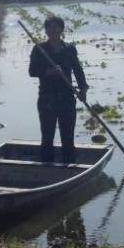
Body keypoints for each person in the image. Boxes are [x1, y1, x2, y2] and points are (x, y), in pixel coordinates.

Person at [28, 14, 89, 165]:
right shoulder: (39, 49)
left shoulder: (69, 49)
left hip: (67, 98)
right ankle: (47, 169)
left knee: (68, 137)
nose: (53, 30)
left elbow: (78, 70)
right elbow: (32, 71)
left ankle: (69, 168)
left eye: (56, 27)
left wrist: (83, 89)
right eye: (49, 27)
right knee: (47, 136)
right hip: (47, 99)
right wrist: (48, 72)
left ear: (61, 29)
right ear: (46, 30)